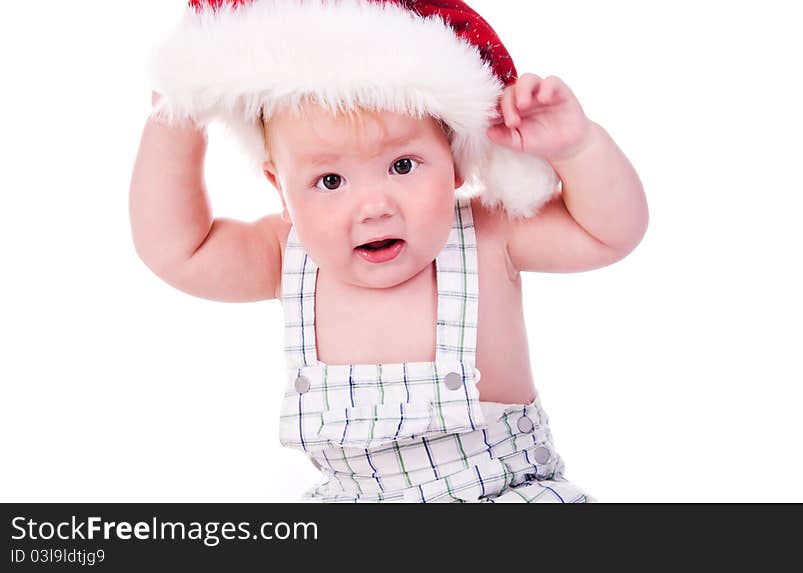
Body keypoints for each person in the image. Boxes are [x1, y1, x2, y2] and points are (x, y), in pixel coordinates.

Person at [130, 0, 648, 502]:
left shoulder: (492, 236)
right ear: (280, 189)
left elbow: (607, 233)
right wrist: (174, 121)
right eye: (329, 180)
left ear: (456, 162)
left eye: (403, 165)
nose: (374, 206)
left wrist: (577, 149)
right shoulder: (283, 256)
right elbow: (179, 250)